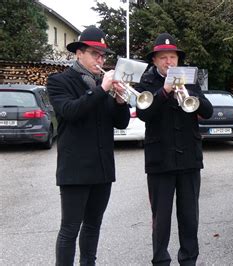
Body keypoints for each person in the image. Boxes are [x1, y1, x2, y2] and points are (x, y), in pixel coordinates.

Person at [46, 26, 130, 265]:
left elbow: (121, 122)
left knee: (93, 226)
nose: (100, 60)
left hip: (102, 169)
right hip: (75, 170)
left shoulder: (104, 86)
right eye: (95, 54)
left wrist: (121, 101)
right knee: (70, 229)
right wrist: (102, 89)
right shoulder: (59, 81)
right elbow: (70, 112)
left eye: (103, 56)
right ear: (79, 54)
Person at [135, 33, 213, 265]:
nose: (169, 62)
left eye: (173, 57)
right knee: (161, 219)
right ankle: (160, 260)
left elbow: (207, 112)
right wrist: (165, 91)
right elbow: (144, 114)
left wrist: (192, 95)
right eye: (163, 58)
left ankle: (189, 260)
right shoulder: (146, 83)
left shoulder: (190, 80)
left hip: (189, 158)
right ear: (155, 61)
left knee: (190, 216)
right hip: (160, 160)